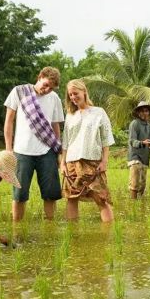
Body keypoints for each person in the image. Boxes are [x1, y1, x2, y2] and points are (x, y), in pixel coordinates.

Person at [3, 67, 64, 221]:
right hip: (22, 152)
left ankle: (50, 227)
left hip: (47, 152)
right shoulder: (19, 92)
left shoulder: (54, 98)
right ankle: (17, 228)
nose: (47, 90)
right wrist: (8, 150)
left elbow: (55, 126)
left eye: (51, 88)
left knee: (50, 194)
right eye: (45, 85)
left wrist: (58, 152)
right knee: (19, 195)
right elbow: (9, 122)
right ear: (39, 77)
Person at [60, 79, 115, 222]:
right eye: (70, 95)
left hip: (93, 162)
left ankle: (110, 233)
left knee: (101, 199)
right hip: (72, 161)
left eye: (75, 93)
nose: (73, 97)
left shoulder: (99, 112)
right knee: (71, 199)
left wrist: (104, 160)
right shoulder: (70, 115)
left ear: (84, 92)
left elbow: (105, 138)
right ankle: (73, 235)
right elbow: (65, 141)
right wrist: (62, 163)